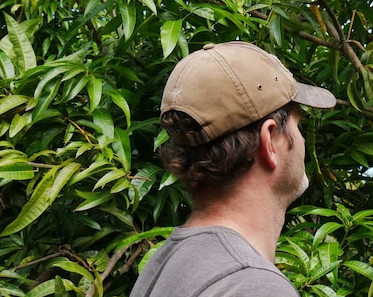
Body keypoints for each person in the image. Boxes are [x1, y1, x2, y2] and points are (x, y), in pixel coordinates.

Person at [131, 41, 336, 296]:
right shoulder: (254, 287)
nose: (302, 141)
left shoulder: (164, 265)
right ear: (270, 140)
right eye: (298, 125)